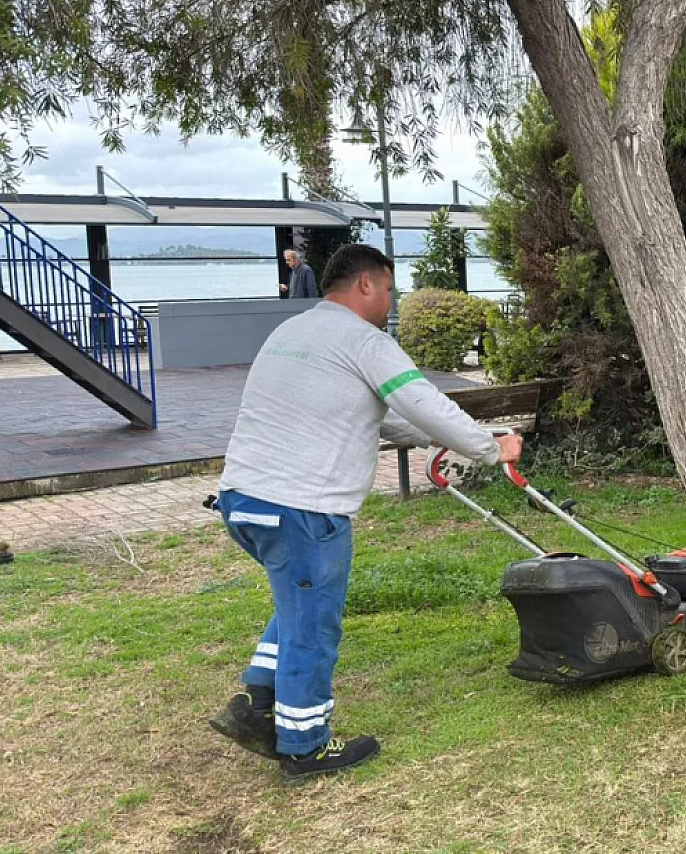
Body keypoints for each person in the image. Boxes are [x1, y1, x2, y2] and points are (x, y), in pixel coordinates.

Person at [208, 244, 521, 782]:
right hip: (302, 509)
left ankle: (259, 702)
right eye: (390, 289)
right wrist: (492, 447)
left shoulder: (293, 333)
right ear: (367, 285)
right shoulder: (363, 340)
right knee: (313, 625)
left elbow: (382, 421)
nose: (392, 301)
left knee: (297, 601)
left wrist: (446, 443)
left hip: (244, 500)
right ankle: (305, 748)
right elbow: (423, 401)